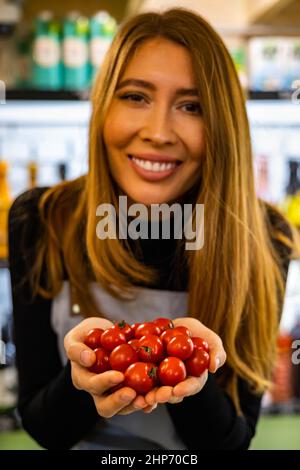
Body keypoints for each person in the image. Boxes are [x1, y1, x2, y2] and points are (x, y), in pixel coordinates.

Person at [8, 8, 298, 450]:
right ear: (105, 106)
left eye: (191, 106)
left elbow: (233, 442)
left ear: (221, 125)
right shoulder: (42, 218)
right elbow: (41, 425)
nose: (158, 132)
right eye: (135, 97)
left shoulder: (263, 236)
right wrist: (85, 381)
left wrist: (187, 378)